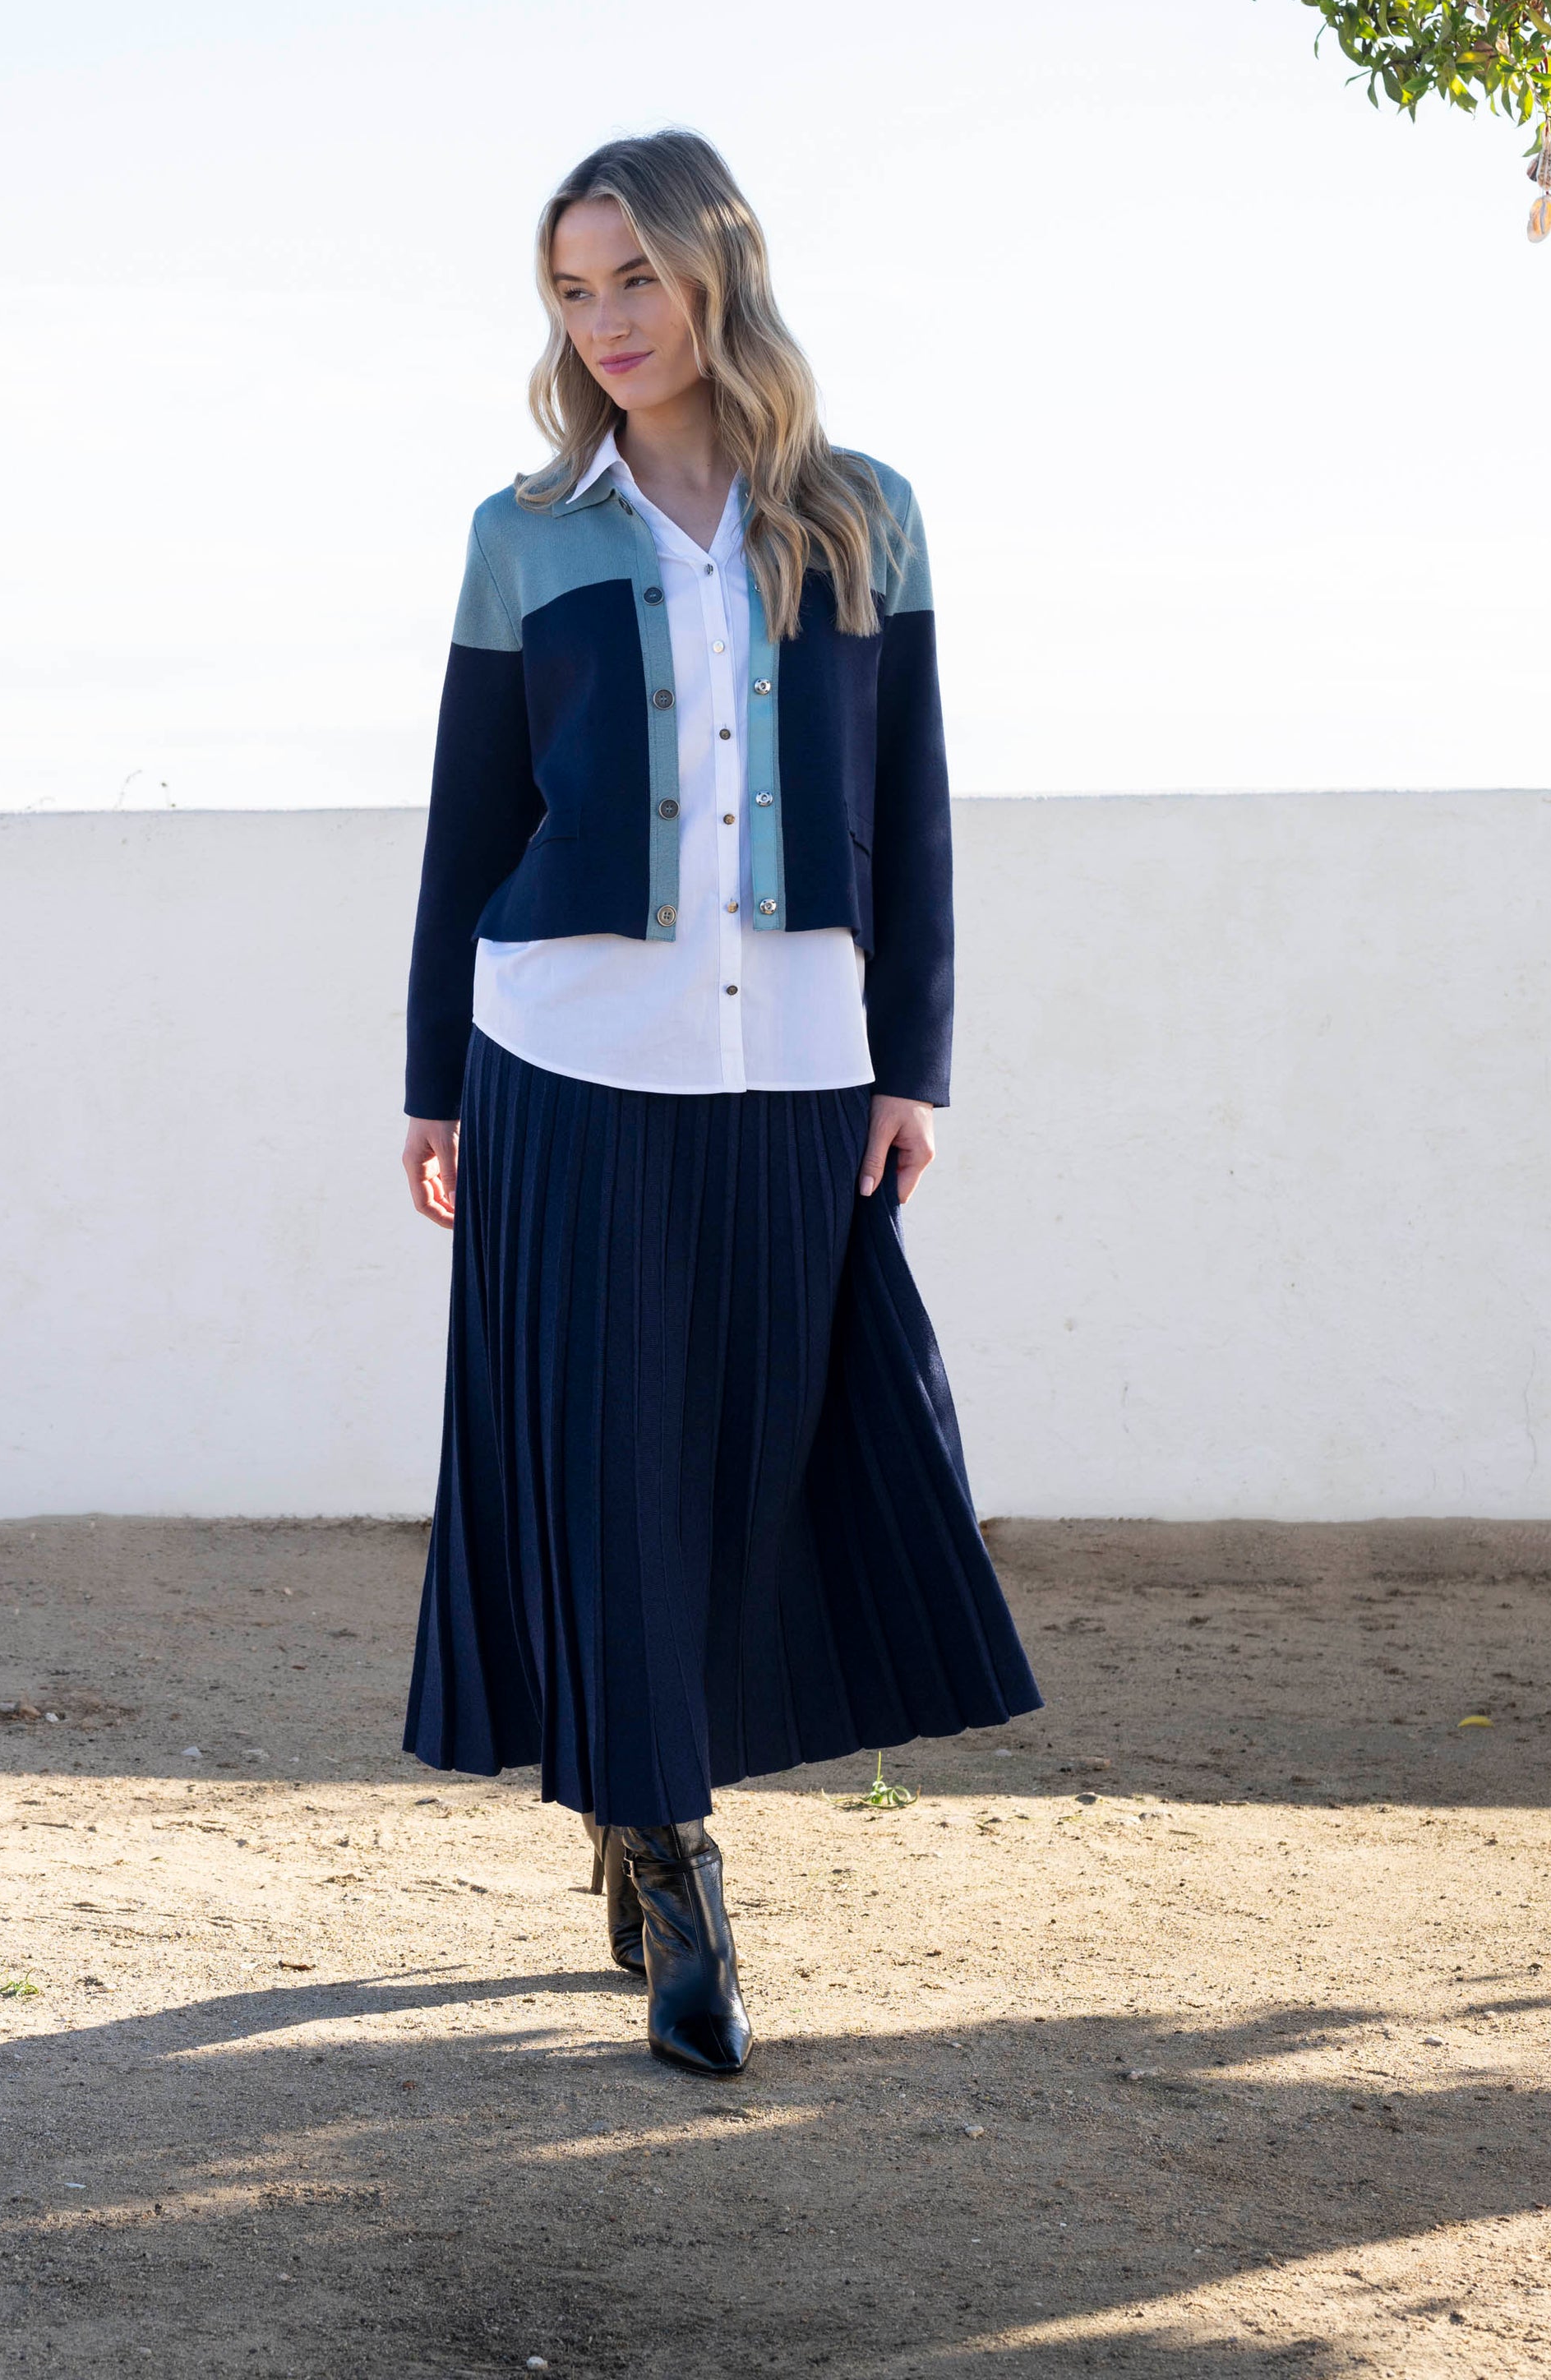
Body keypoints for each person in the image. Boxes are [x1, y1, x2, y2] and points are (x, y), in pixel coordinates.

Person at [397, 129, 1041, 2077]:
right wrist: (433, 1084)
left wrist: (913, 1056)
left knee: (758, 1453)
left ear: (715, 279)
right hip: (567, 1059)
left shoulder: (860, 519)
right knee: (606, 1470)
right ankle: (676, 1872)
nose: (602, 324)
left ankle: (629, 1783)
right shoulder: (529, 532)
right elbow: (469, 821)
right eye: (571, 292)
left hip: (796, 1068)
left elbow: (910, 802)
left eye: (632, 283)